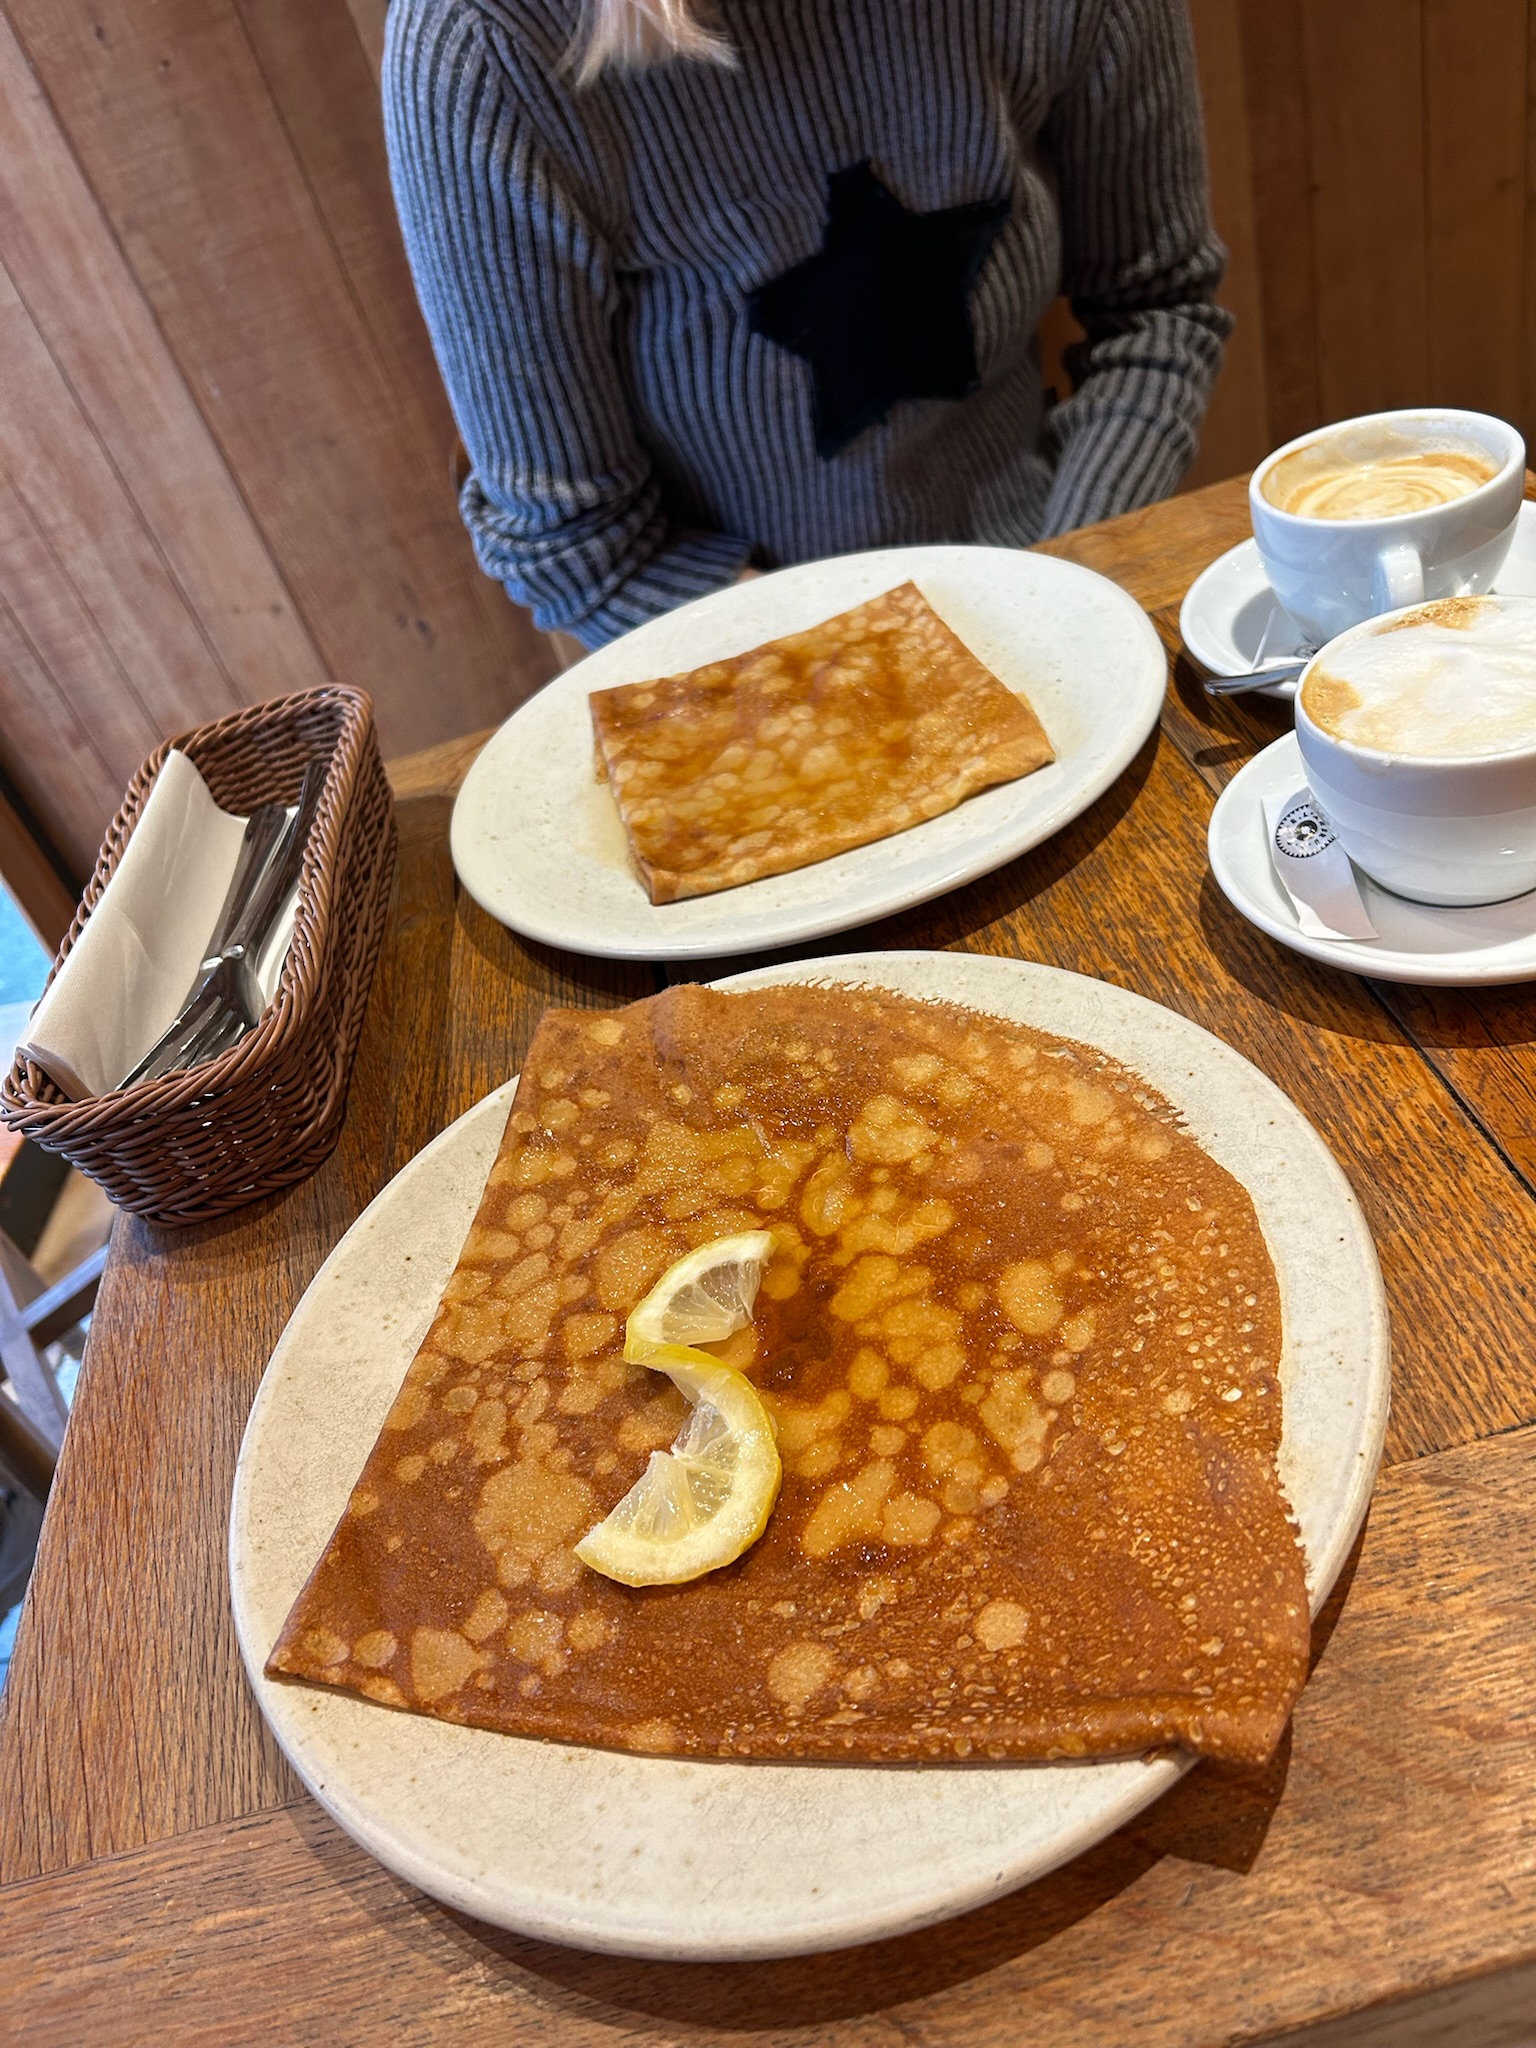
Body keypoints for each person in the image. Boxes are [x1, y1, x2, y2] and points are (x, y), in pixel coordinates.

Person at [384, 0, 1231, 648]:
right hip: (745, 664)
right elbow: (580, 547)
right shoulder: (484, 44)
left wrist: (1065, 599)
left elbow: (1155, 313)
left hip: (1064, 570)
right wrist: (887, 681)